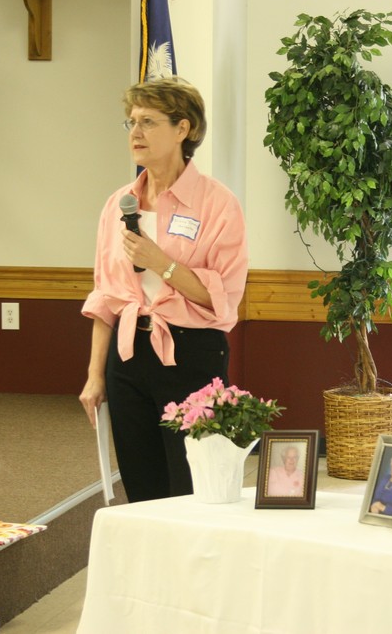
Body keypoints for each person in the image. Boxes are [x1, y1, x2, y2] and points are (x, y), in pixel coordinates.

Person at [78, 77, 249, 503]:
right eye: (131, 122)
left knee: (196, 486)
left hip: (193, 354)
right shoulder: (119, 204)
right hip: (128, 356)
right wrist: (95, 375)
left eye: (148, 122)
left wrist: (162, 263)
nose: (135, 133)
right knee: (141, 483)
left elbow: (223, 296)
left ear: (183, 129)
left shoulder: (217, 204)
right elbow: (106, 298)